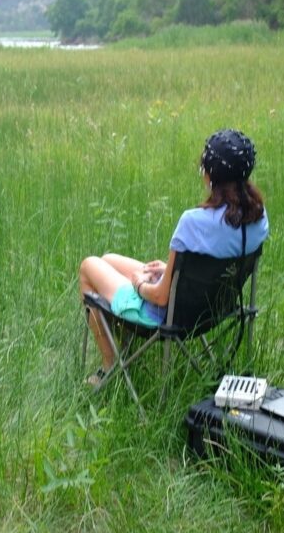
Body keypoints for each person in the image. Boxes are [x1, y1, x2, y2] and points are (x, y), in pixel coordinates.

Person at [78, 129, 269, 385]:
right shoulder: (258, 218)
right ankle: (124, 350)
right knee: (110, 259)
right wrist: (170, 270)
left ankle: (110, 365)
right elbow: (215, 264)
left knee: (89, 266)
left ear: (210, 174)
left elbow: (160, 297)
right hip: (212, 310)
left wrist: (139, 283)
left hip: (167, 316)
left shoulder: (193, 222)